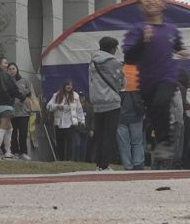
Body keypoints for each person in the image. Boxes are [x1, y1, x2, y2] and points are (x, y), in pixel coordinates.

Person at [122, 0, 188, 168]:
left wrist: (181, 50)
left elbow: (177, 44)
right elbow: (128, 57)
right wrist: (142, 42)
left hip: (168, 76)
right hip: (145, 81)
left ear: (163, 3)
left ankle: (165, 143)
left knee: (162, 102)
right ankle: (159, 141)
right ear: (140, 5)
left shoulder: (171, 29)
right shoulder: (136, 30)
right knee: (155, 113)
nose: (150, 1)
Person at [88, 36, 125, 171]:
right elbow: (121, 82)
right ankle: (104, 165)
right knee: (109, 134)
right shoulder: (113, 62)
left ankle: (98, 164)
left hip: (97, 102)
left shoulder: (92, 61)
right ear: (112, 48)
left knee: (99, 134)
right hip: (111, 101)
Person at [117, 64, 146, 171]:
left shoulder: (118, 76)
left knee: (123, 143)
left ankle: (128, 165)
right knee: (137, 141)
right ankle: (138, 163)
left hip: (120, 116)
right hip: (136, 115)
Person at [47, 79, 84, 161]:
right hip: (59, 123)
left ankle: (69, 160)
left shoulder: (75, 96)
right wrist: (57, 106)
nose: (69, 87)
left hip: (70, 122)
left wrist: (82, 120)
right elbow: (48, 106)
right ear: (64, 86)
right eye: (67, 85)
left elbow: (79, 109)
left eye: (70, 85)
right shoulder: (57, 95)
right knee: (60, 142)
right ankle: (61, 159)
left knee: (70, 142)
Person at [7, 63, 35, 160]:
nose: (12, 71)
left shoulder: (24, 80)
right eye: (10, 69)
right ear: (7, 71)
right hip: (11, 112)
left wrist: (28, 93)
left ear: (17, 69)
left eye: (13, 68)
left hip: (24, 112)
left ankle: (23, 152)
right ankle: (14, 152)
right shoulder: (6, 82)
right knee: (13, 133)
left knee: (23, 133)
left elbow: (31, 94)